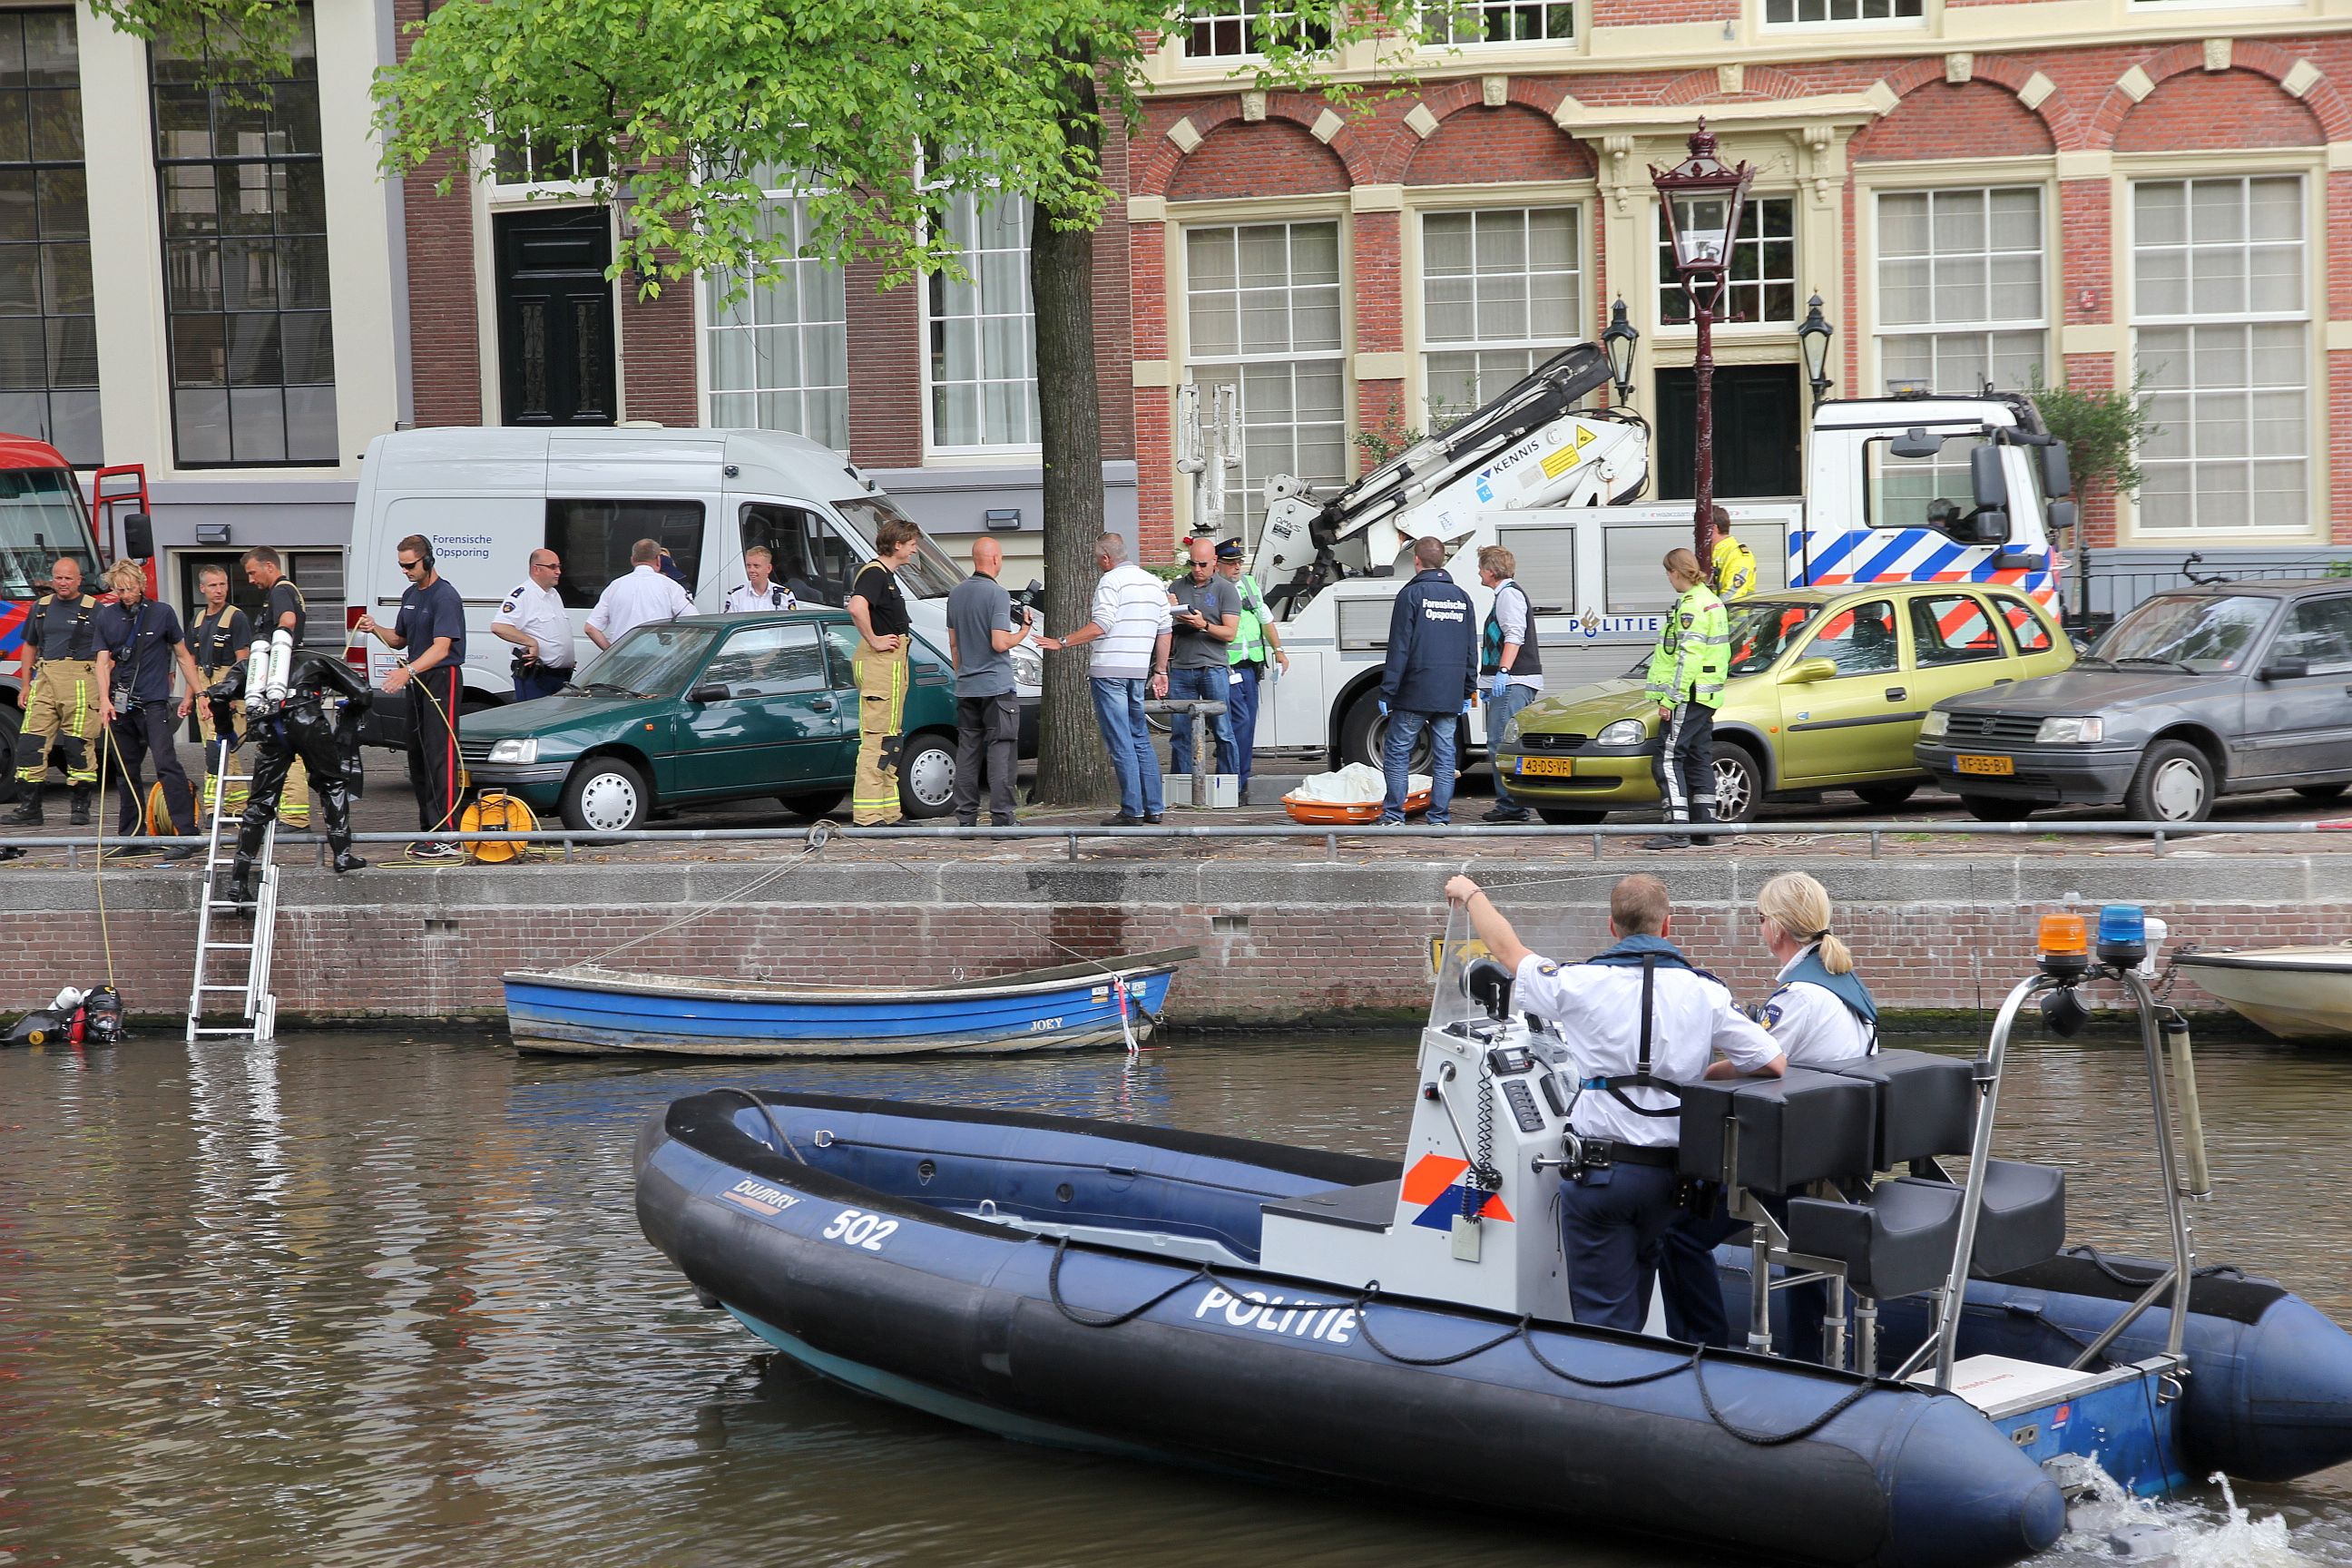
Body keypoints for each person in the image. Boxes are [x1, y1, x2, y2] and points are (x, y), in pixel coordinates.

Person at [1443, 871, 1786, 1332]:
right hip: (1671, 1181)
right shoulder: (1706, 992)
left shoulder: (1580, 983)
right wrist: (1699, 1078)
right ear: (1667, 926)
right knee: (1642, 1299)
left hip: (1601, 1179)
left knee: (1605, 1321)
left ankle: (1605, 1382)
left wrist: (1472, 894)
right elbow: (1771, 1063)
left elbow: (1509, 952)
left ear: (1612, 927)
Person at [1659, 871, 1878, 1357]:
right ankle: (1811, 1355)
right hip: (1836, 1154)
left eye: (1760, 919)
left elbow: (1754, 1062)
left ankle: (1704, 1350)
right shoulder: (1846, 984)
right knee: (1807, 1256)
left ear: (1776, 928)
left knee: (1677, 1233)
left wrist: (1692, 1074)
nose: (1759, 927)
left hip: (1790, 1163)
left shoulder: (1799, 998)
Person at [207, 645, 372, 906]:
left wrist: (224, 729)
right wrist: (349, 716)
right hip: (309, 724)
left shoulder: (252, 667)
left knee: (260, 803)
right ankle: (342, 854)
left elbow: (217, 696)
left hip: (271, 730)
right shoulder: (314, 658)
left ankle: (238, 880)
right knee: (331, 784)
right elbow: (363, 692)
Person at [1038, 532, 1171, 827]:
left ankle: (1132, 810)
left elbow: (1101, 625)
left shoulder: (1110, 581)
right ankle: (1154, 807)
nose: (1098, 564)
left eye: (1098, 559)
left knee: (1119, 738)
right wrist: (1160, 670)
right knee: (1140, 737)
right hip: (1137, 670)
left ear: (1107, 558)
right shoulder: (1153, 583)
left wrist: (1061, 642)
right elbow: (1165, 630)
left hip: (1110, 668)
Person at [353, 534, 467, 858]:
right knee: (417, 756)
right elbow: (400, 639)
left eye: (410, 565)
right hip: (418, 679)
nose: (405, 571)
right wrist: (375, 627)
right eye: (401, 566)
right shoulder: (409, 594)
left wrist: (408, 671)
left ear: (427, 560)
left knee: (439, 756)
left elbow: (442, 647)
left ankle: (448, 835)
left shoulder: (445, 597)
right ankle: (429, 831)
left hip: (441, 678)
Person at [92, 562, 203, 858]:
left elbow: (183, 655)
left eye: (129, 589)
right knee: (125, 772)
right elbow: (102, 662)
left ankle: (187, 836)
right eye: (119, 589)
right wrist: (104, 699)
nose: (125, 595)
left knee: (166, 764)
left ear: (141, 585)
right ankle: (132, 838)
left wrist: (199, 693)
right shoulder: (106, 616)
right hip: (120, 704)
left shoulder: (162, 612)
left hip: (153, 703)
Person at [1377, 536, 1475, 827]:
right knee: (1446, 757)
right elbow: (1471, 648)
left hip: (1415, 691)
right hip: (1449, 692)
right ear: (1443, 561)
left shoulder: (1411, 595)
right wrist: (1468, 689)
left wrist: (1388, 691)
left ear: (1416, 561)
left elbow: (1400, 647)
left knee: (1397, 751)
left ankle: (1394, 815)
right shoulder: (1462, 597)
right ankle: (1439, 818)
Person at [1643, 547, 1730, 850]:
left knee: (1667, 759)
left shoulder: (1692, 606)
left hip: (1687, 696)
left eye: (1668, 573)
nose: (1668, 579)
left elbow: (1687, 658)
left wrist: (1670, 700)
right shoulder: (1713, 602)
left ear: (1676, 572)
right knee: (1698, 757)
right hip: (1705, 697)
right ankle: (1703, 826)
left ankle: (1677, 827)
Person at [945, 536, 1032, 827]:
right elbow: (999, 642)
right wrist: (1024, 631)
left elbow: (954, 645)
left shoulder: (955, 595)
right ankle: (1003, 818)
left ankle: (966, 819)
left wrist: (963, 675)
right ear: (995, 559)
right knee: (1001, 751)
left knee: (968, 752)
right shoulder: (998, 594)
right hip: (996, 687)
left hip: (966, 686)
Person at [6, 556, 100, 826]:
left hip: (81, 681)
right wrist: (25, 684)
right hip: (45, 679)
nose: (63, 583)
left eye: (69, 578)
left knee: (77, 745)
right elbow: (30, 647)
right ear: (52, 579)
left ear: (79, 580)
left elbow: (108, 651)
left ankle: (80, 808)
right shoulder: (41, 607)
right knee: (30, 743)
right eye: (58, 577)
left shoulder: (95, 609)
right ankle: (30, 809)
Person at [847, 517, 922, 826]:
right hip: (880, 664)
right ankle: (867, 815)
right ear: (898, 545)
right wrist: (874, 639)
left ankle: (888, 812)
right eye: (913, 545)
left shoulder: (886, 576)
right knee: (877, 739)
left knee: (891, 739)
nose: (915, 551)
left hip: (892, 664)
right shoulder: (875, 574)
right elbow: (856, 607)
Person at [1475, 544, 1544, 825]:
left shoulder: (1508, 596)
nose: (1478, 573)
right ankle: (1512, 803)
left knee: (1501, 744)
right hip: (1510, 681)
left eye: (1481, 568)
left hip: (1514, 681)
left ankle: (1511, 806)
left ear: (1491, 572)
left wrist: (1503, 671)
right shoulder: (1505, 594)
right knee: (1502, 743)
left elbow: (1514, 635)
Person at [242, 547, 310, 828]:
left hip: (284, 678)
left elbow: (288, 621)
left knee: (284, 742)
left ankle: (294, 815)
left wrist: (274, 663)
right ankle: (288, 811)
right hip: (290, 675)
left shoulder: (281, 591)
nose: (250, 580)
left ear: (269, 566)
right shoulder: (288, 590)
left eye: (252, 572)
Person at [1215, 539, 1287, 806]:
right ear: (1218, 564)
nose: (1237, 567)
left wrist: (1278, 650)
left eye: (1239, 562)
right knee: (1236, 726)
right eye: (1231, 563)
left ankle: (1238, 782)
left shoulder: (1248, 585)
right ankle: (1230, 782)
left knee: (1246, 727)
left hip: (1250, 667)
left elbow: (1265, 619)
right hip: (1227, 666)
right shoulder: (1215, 588)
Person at [1165, 537, 1240, 785]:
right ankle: (1183, 788)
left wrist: (1203, 625)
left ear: (1215, 562)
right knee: (1180, 733)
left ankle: (1229, 786)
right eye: (1193, 564)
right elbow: (1163, 630)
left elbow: (1230, 633)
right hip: (1181, 667)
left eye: (1203, 564)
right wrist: (1168, 610)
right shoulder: (1177, 587)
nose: (1197, 569)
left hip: (1213, 667)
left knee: (1223, 730)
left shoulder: (1226, 589)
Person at [189, 564, 251, 816]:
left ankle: (214, 810)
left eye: (223, 584)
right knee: (223, 752)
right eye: (213, 585)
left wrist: (234, 697)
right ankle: (236, 809)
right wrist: (188, 698)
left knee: (219, 750)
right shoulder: (198, 619)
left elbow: (242, 661)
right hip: (204, 691)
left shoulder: (236, 617)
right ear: (202, 588)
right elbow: (191, 662)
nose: (219, 590)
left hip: (227, 691)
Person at [489, 549, 574, 701]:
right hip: (536, 676)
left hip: (560, 677)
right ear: (536, 569)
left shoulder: (553, 595)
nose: (558, 571)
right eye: (552, 567)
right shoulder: (523, 594)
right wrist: (531, 642)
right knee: (536, 721)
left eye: (559, 567)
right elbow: (499, 626)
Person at [585, 538, 696, 651]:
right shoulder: (670, 585)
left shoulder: (615, 586)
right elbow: (692, 622)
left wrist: (611, 652)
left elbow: (590, 628)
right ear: (658, 559)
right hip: (658, 659)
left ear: (632, 560)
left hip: (621, 659)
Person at [723, 546, 798, 615]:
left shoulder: (785, 596)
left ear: (768, 568)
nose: (751, 570)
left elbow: (792, 626)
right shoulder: (736, 596)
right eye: (748, 566)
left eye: (756, 566)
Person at [1708, 507, 1758, 602]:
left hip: (1734, 615)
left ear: (1713, 529)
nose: (1694, 533)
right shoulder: (1711, 553)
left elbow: (1732, 595)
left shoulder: (1739, 555)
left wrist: (1712, 613)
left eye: (1698, 528)